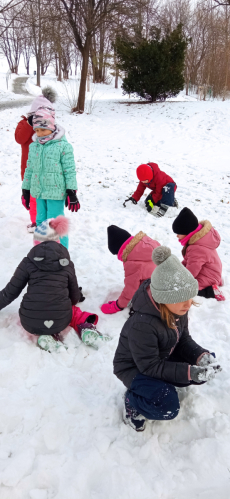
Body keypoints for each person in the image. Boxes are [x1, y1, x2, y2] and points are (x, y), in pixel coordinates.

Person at [113, 246, 221, 432]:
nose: (188, 304)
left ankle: (170, 378)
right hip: (136, 368)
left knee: (200, 370)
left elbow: (183, 339)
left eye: (189, 297)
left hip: (160, 356)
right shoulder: (143, 325)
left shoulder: (178, 309)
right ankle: (133, 403)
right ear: (163, 298)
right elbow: (149, 366)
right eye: (182, 299)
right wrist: (188, 372)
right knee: (167, 405)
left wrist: (199, 357)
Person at [0, 216, 110, 351]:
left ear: (36, 243)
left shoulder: (28, 262)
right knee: (73, 311)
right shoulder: (67, 263)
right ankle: (86, 329)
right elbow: (74, 297)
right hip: (61, 320)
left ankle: (45, 335)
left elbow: (10, 292)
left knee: (38, 308)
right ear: (58, 241)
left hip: (30, 321)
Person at [21, 105, 79, 248]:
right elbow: (29, 169)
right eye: (37, 130)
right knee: (40, 221)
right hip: (38, 191)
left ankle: (61, 251)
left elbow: (69, 170)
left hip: (55, 192)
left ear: (52, 127)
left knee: (56, 223)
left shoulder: (63, 146)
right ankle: (41, 250)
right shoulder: (34, 146)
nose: (40, 133)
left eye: (43, 129)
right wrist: (26, 190)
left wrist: (71, 191)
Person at [15, 86, 57, 233]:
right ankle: (35, 222)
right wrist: (28, 124)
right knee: (32, 200)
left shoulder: (49, 128)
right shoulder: (24, 124)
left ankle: (47, 221)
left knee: (44, 198)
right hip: (29, 171)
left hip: (46, 172)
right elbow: (19, 139)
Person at [101, 225, 160, 314]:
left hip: (157, 298)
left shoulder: (133, 263)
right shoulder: (149, 244)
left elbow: (130, 289)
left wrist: (117, 305)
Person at [172, 207, 224, 301]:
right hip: (211, 270)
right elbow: (190, 260)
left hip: (208, 276)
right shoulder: (198, 240)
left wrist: (181, 281)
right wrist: (179, 267)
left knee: (189, 288)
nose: (177, 236)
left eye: (178, 233)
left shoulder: (197, 248)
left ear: (187, 232)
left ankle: (211, 291)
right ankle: (215, 281)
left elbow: (192, 270)